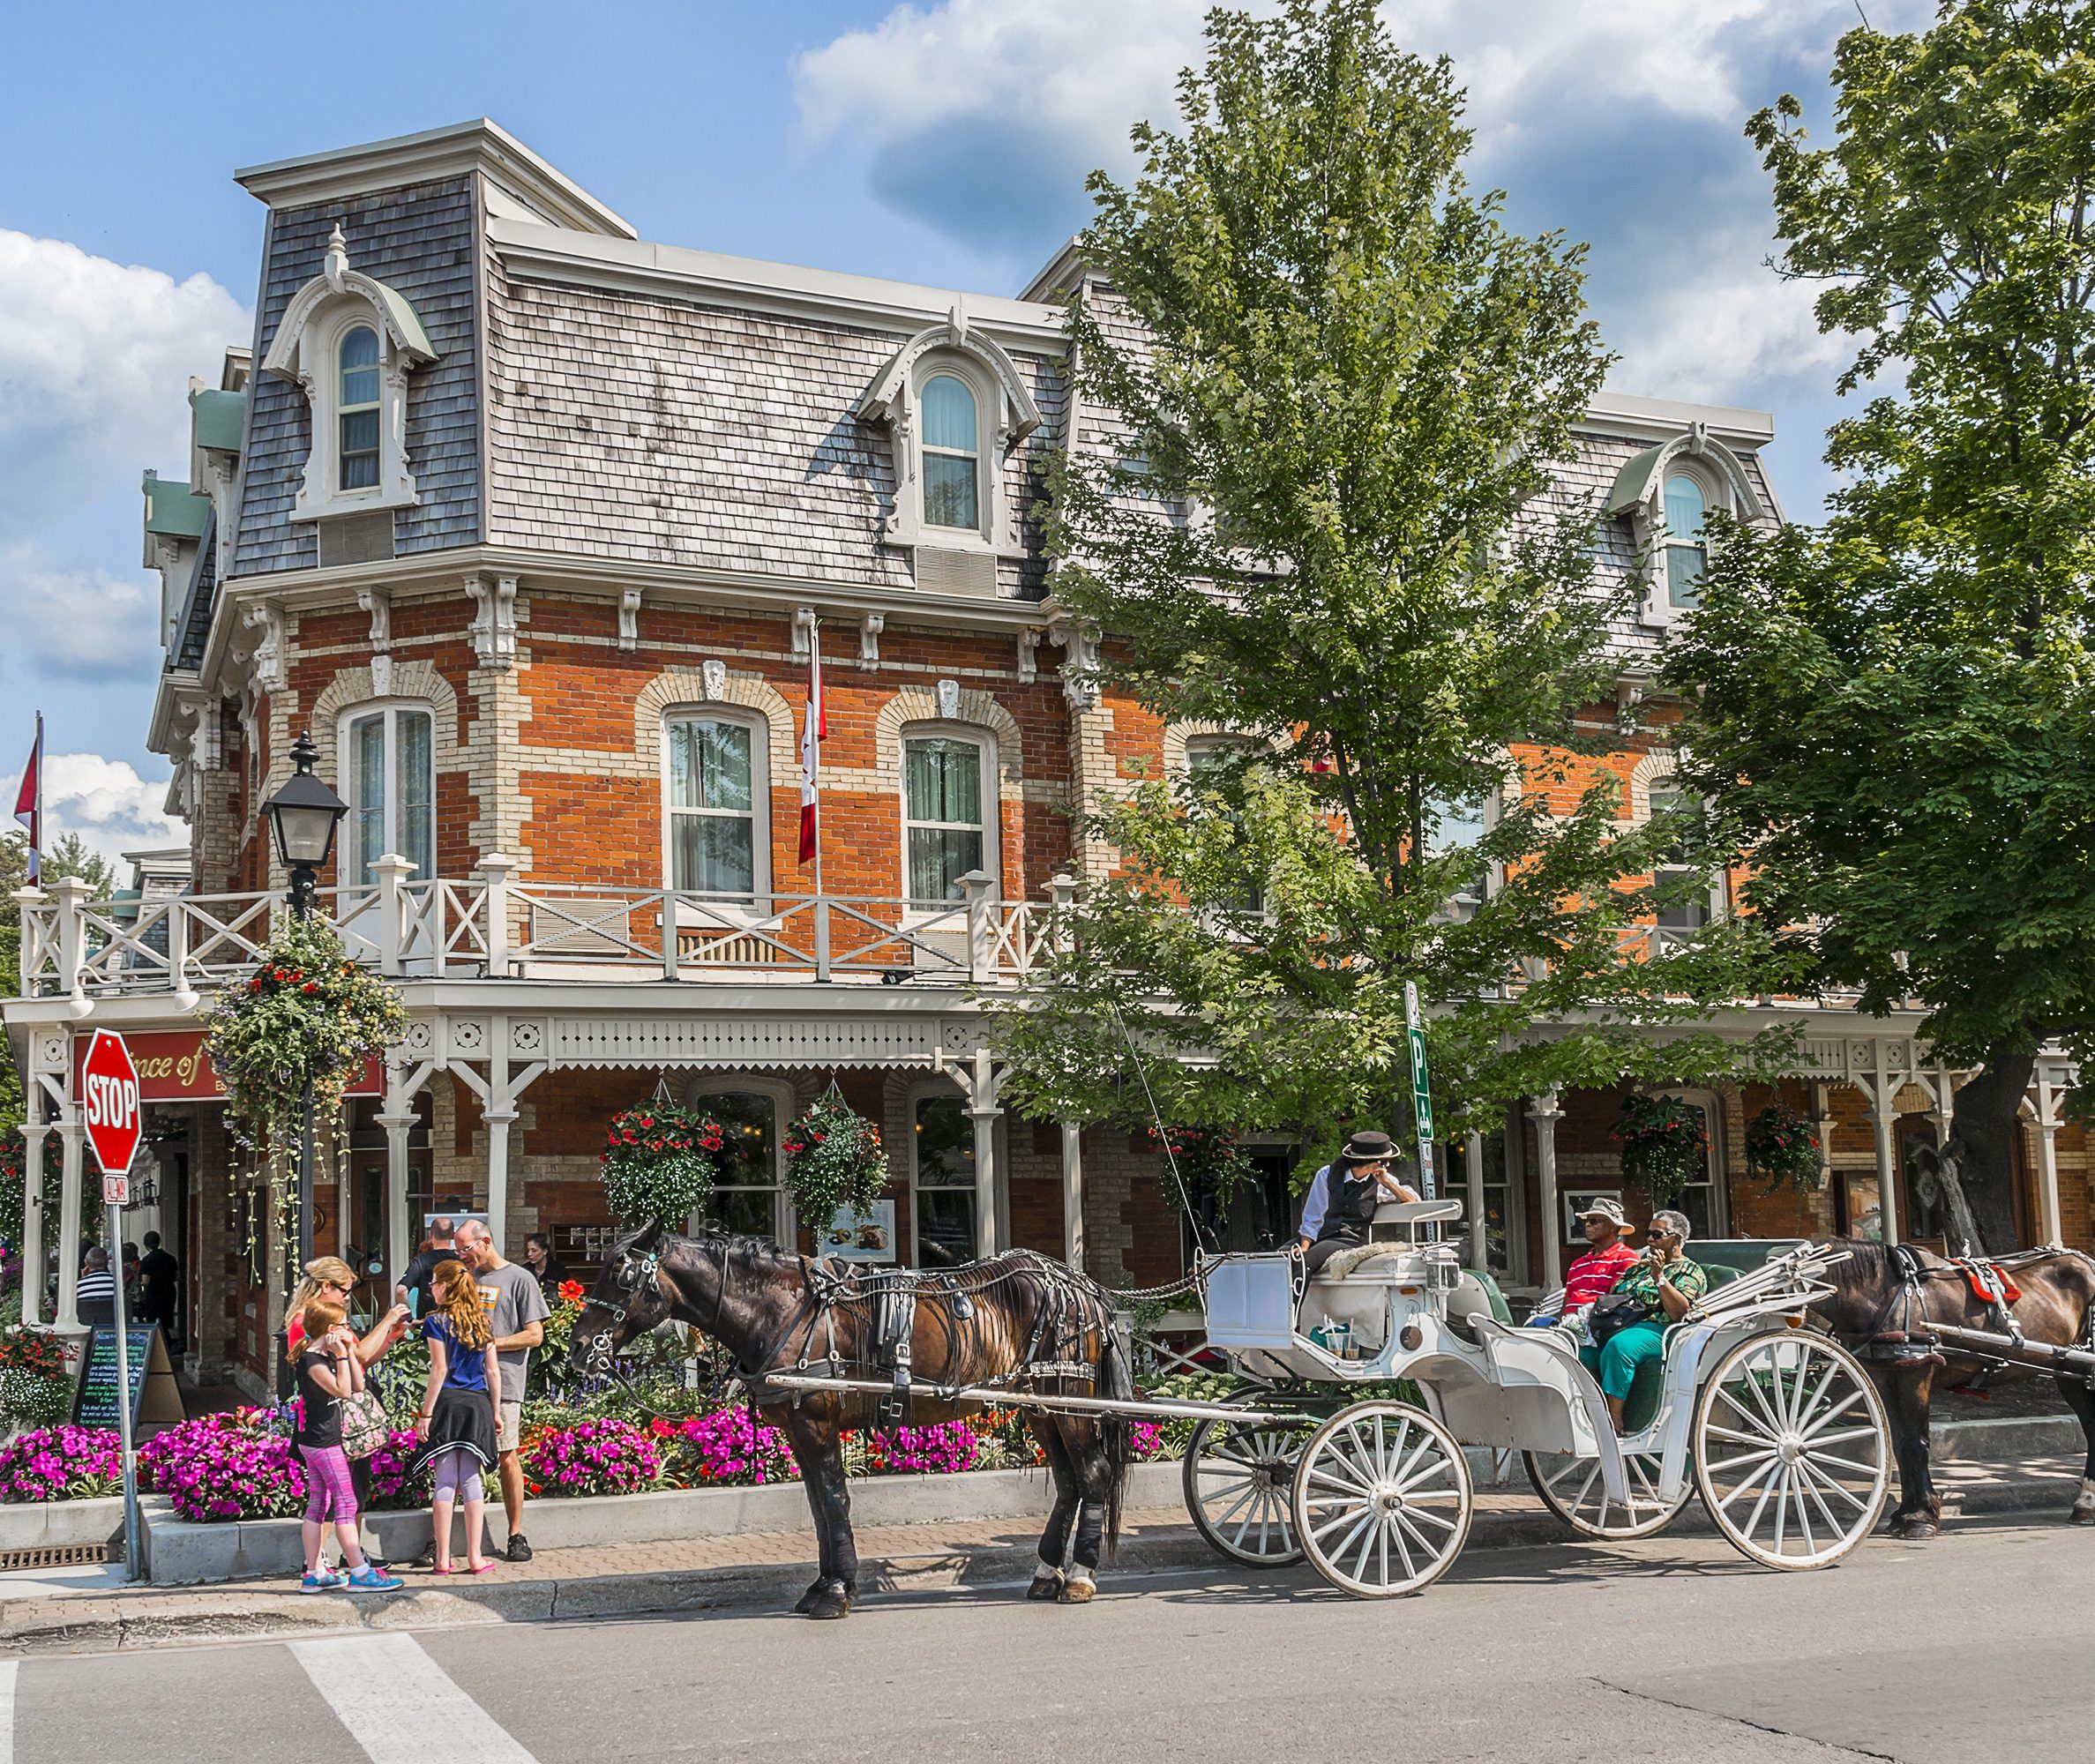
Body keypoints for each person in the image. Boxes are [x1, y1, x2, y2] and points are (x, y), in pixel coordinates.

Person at [284, 1256, 410, 1573]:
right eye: (343, 1290)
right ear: (325, 1286)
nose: (346, 1297)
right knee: (333, 1497)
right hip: (329, 1423)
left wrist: (389, 1339)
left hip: (345, 1421)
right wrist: (387, 1319)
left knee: (354, 1489)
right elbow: (357, 1359)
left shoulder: (330, 1319)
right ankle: (320, 1560)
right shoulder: (309, 1320)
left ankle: (345, 1554)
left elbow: (360, 1367)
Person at [453, 1219, 550, 1562]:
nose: (462, 1256)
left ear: (486, 1241)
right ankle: (447, 1538)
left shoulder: (519, 1279)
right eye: (457, 1250)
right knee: (458, 1457)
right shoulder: (465, 1279)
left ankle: (515, 1534)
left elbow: (535, 1335)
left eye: (466, 1249)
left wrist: (492, 1343)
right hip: (462, 1382)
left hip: (505, 1383)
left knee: (507, 1455)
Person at [1580, 1208, 1710, 1431]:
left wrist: (1659, 1277)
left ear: (1676, 1238)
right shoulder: (1640, 1267)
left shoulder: (1689, 1270)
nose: (1649, 1239)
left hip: (1660, 1329)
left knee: (1619, 1347)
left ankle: (1614, 1420)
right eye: (1648, 1234)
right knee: (1581, 1352)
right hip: (1622, 1324)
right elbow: (1616, 1291)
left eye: (1657, 1235)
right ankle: (1585, 1412)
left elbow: (1680, 1313)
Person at [411, 1259, 500, 1574]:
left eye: (434, 1282)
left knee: (446, 1481)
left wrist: (426, 1414)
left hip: (447, 1404)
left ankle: (442, 1559)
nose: (430, 1288)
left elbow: (439, 1369)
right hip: (477, 1405)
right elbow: (493, 1370)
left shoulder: (435, 1322)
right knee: (472, 1480)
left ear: (446, 1286)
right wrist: (496, 1411)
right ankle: (475, 1558)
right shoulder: (482, 1322)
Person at [1294, 1131, 1420, 1277]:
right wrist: (1304, 1246)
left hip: (1351, 1240)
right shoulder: (1327, 1175)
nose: (1388, 1165)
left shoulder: (1381, 1182)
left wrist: (1388, 1183)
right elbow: (1313, 1215)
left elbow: (1412, 1200)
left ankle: (1292, 1300)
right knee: (1281, 1256)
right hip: (1323, 1236)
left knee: (1304, 1262)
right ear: (1372, 1164)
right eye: (1385, 1161)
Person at [1527, 1199, 1640, 1327]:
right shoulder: (1578, 1264)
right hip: (1568, 1325)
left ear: (1612, 1227)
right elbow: (1567, 1304)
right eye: (1586, 1221)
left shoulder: (1626, 1258)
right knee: (1529, 1332)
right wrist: (1556, 1324)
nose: (1587, 1225)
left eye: (1593, 1221)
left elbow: (1617, 1301)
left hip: (1597, 1325)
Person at [396, 1216, 460, 1318]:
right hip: (457, 1322)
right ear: (453, 1235)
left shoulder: (421, 1261)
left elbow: (401, 1291)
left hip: (427, 1323)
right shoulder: (461, 1261)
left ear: (431, 1234)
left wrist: (408, 1319)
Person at [138, 1230, 180, 1340]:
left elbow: (145, 1280)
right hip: (169, 1291)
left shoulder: (147, 1260)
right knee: (166, 1320)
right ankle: (167, 1343)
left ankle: (158, 1343)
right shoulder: (170, 1258)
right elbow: (176, 1277)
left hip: (154, 1294)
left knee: (154, 1320)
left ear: (146, 1245)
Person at [76, 1246, 117, 1327]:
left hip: (87, 1328)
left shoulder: (80, 1285)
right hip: (113, 1328)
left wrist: (84, 1279)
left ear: (86, 1262)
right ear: (107, 1262)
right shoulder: (117, 1284)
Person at [520, 1232, 569, 1300]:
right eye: (528, 1250)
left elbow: (565, 1293)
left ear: (545, 1251)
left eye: (534, 1251)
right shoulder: (525, 1269)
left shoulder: (558, 1270)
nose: (529, 1254)